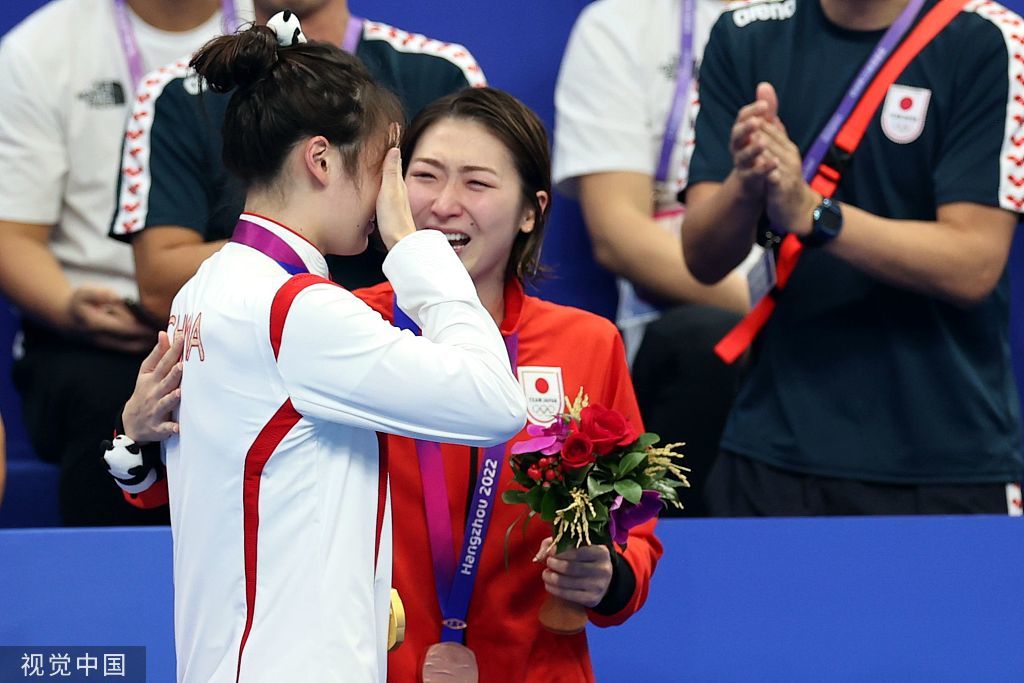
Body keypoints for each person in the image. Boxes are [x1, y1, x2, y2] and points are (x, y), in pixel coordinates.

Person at [112, 87, 662, 682]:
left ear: (532, 210)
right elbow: (201, 477)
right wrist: (136, 438)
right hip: (377, 664)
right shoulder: (342, 324)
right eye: (425, 176)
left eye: (477, 183)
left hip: (534, 667)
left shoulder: (588, 343)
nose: (446, 204)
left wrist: (613, 577)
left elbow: (633, 525)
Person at [111, 19, 526, 681]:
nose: (392, 196)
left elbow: (187, 478)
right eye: (382, 168)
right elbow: (498, 402)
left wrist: (128, 446)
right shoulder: (299, 312)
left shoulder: (201, 290)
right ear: (322, 159)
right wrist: (415, 246)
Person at [682, 0, 1024, 515]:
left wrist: (814, 213)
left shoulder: (989, 39)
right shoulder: (746, 33)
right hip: (772, 449)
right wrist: (747, 182)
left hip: (947, 457)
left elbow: (973, 263)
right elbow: (702, 257)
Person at [0, 0, 250, 526]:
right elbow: (11, 233)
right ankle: (115, 596)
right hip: (105, 327)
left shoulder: (272, 26)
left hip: (250, 315)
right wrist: (70, 308)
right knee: (110, 405)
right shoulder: (40, 49)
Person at [109, 0, 487, 323]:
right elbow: (160, 286)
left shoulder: (440, 71)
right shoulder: (178, 93)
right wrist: (303, 236)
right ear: (318, 159)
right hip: (253, 344)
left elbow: (480, 245)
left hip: (408, 338)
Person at [552, 0, 749, 516]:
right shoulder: (625, 23)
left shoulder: (843, 20)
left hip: (833, 315)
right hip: (699, 330)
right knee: (706, 340)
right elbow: (620, 234)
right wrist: (780, 309)